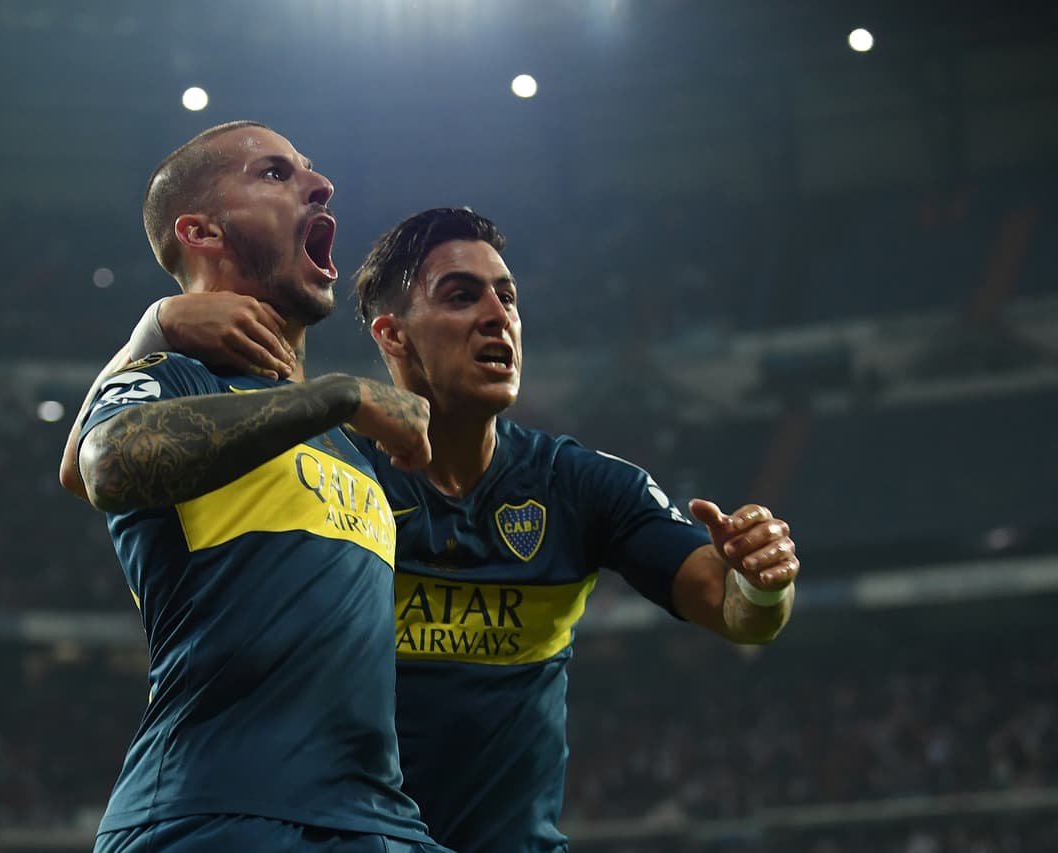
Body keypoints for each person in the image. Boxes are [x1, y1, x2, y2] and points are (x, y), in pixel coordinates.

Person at [62, 208, 800, 853]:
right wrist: (153, 328)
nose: (497, 316)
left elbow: (735, 613)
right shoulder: (332, 477)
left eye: (508, 298)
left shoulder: (583, 486)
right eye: (461, 295)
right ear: (393, 333)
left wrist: (761, 584)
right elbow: (92, 461)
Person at [72, 120, 450, 853]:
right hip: (214, 815)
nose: (319, 183)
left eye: (307, 170)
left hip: (380, 821)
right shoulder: (176, 381)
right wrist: (332, 395)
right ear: (201, 230)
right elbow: (105, 464)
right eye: (274, 174)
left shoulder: (352, 445)